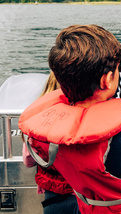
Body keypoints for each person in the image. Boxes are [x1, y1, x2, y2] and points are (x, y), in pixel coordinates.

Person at [19, 24, 121, 213]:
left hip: (89, 205)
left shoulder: (46, 130)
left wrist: (102, 60)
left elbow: (94, 106)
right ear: (106, 80)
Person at [21, 72, 80, 214]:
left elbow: (29, 161)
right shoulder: (88, 116)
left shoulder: (37, 119)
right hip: (86, 196)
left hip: (54, 196)